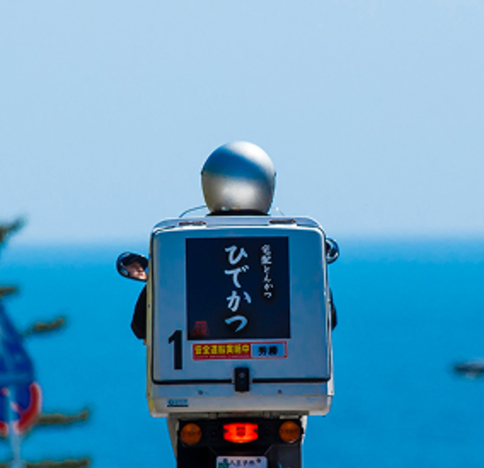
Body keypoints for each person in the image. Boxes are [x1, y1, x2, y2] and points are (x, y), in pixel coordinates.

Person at [121, 141, 336, 341]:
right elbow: (327, 320)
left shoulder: (179, 246)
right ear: (268, 183)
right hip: (289, 378)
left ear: (208, 183)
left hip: (193, 378)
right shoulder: (295, 245)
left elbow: (140, 327)